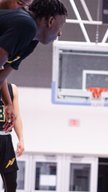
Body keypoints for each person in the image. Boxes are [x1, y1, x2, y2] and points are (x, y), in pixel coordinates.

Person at [0, 0, 67, 130]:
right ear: (51, 21)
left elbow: (1, 76)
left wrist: (8, 103)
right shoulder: (26, 25)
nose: (59, 33)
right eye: (61, 25)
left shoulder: (32, 40)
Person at [1, 83, 27, 192]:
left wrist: (21, 139)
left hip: (5, 139)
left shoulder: (13, 89)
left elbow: (16, 114)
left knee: (11, 183)